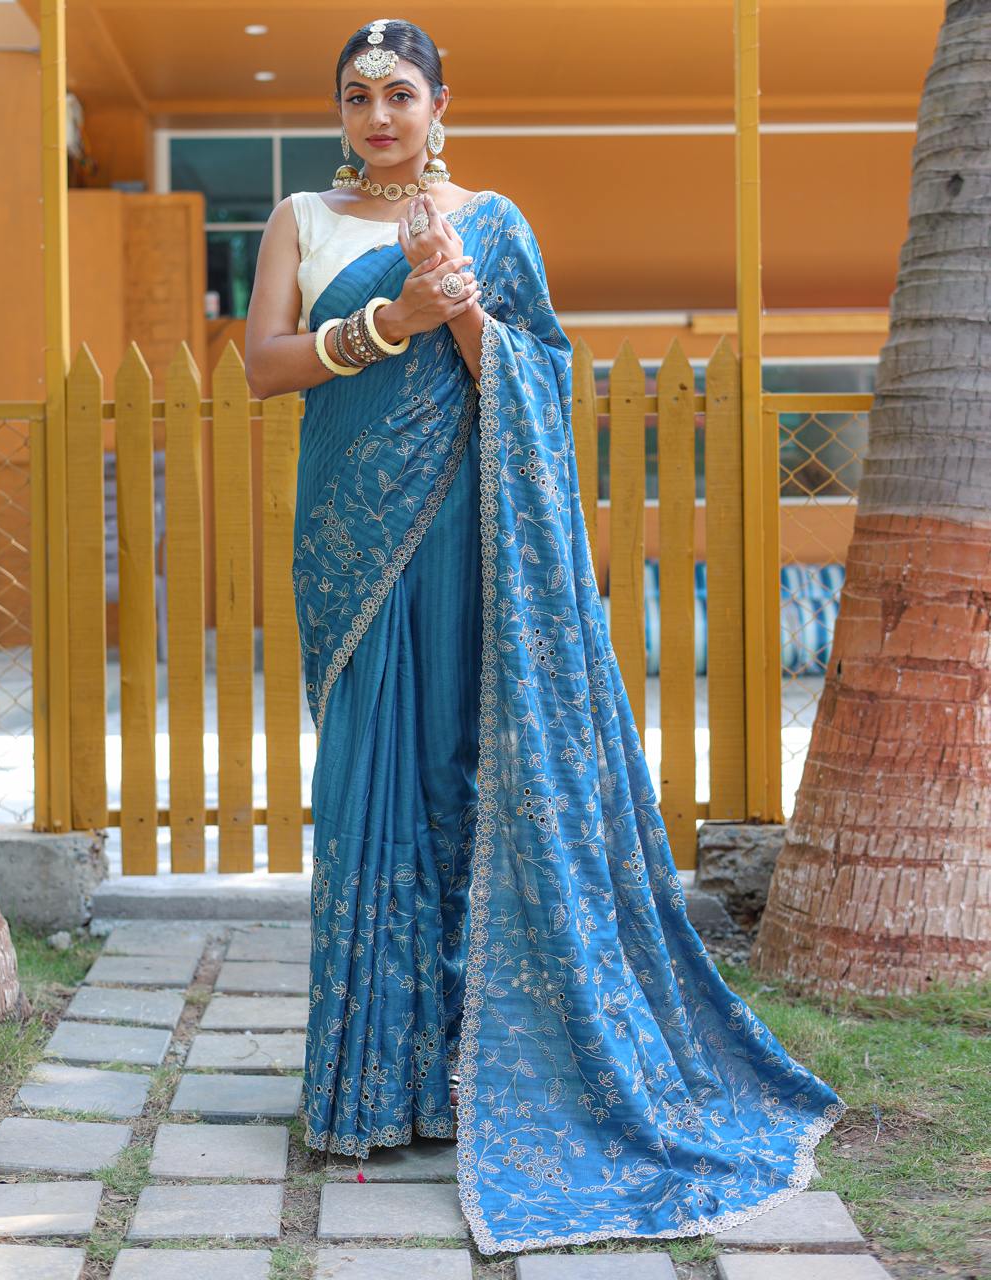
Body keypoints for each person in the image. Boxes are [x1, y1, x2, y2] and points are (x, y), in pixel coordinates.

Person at [244, 16, 847, 1259]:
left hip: (469, 536)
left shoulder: (495, 222)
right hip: (351, 540)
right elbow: (263, 366)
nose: (377, 117)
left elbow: (537, 376)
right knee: (364, 784)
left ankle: (472, 1070)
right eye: (356, 96)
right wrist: (394, 317)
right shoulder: (301, 219)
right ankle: (369, 1085)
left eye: (399, 94)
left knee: (464, 775)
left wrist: (460, 306)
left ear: (440, 103)